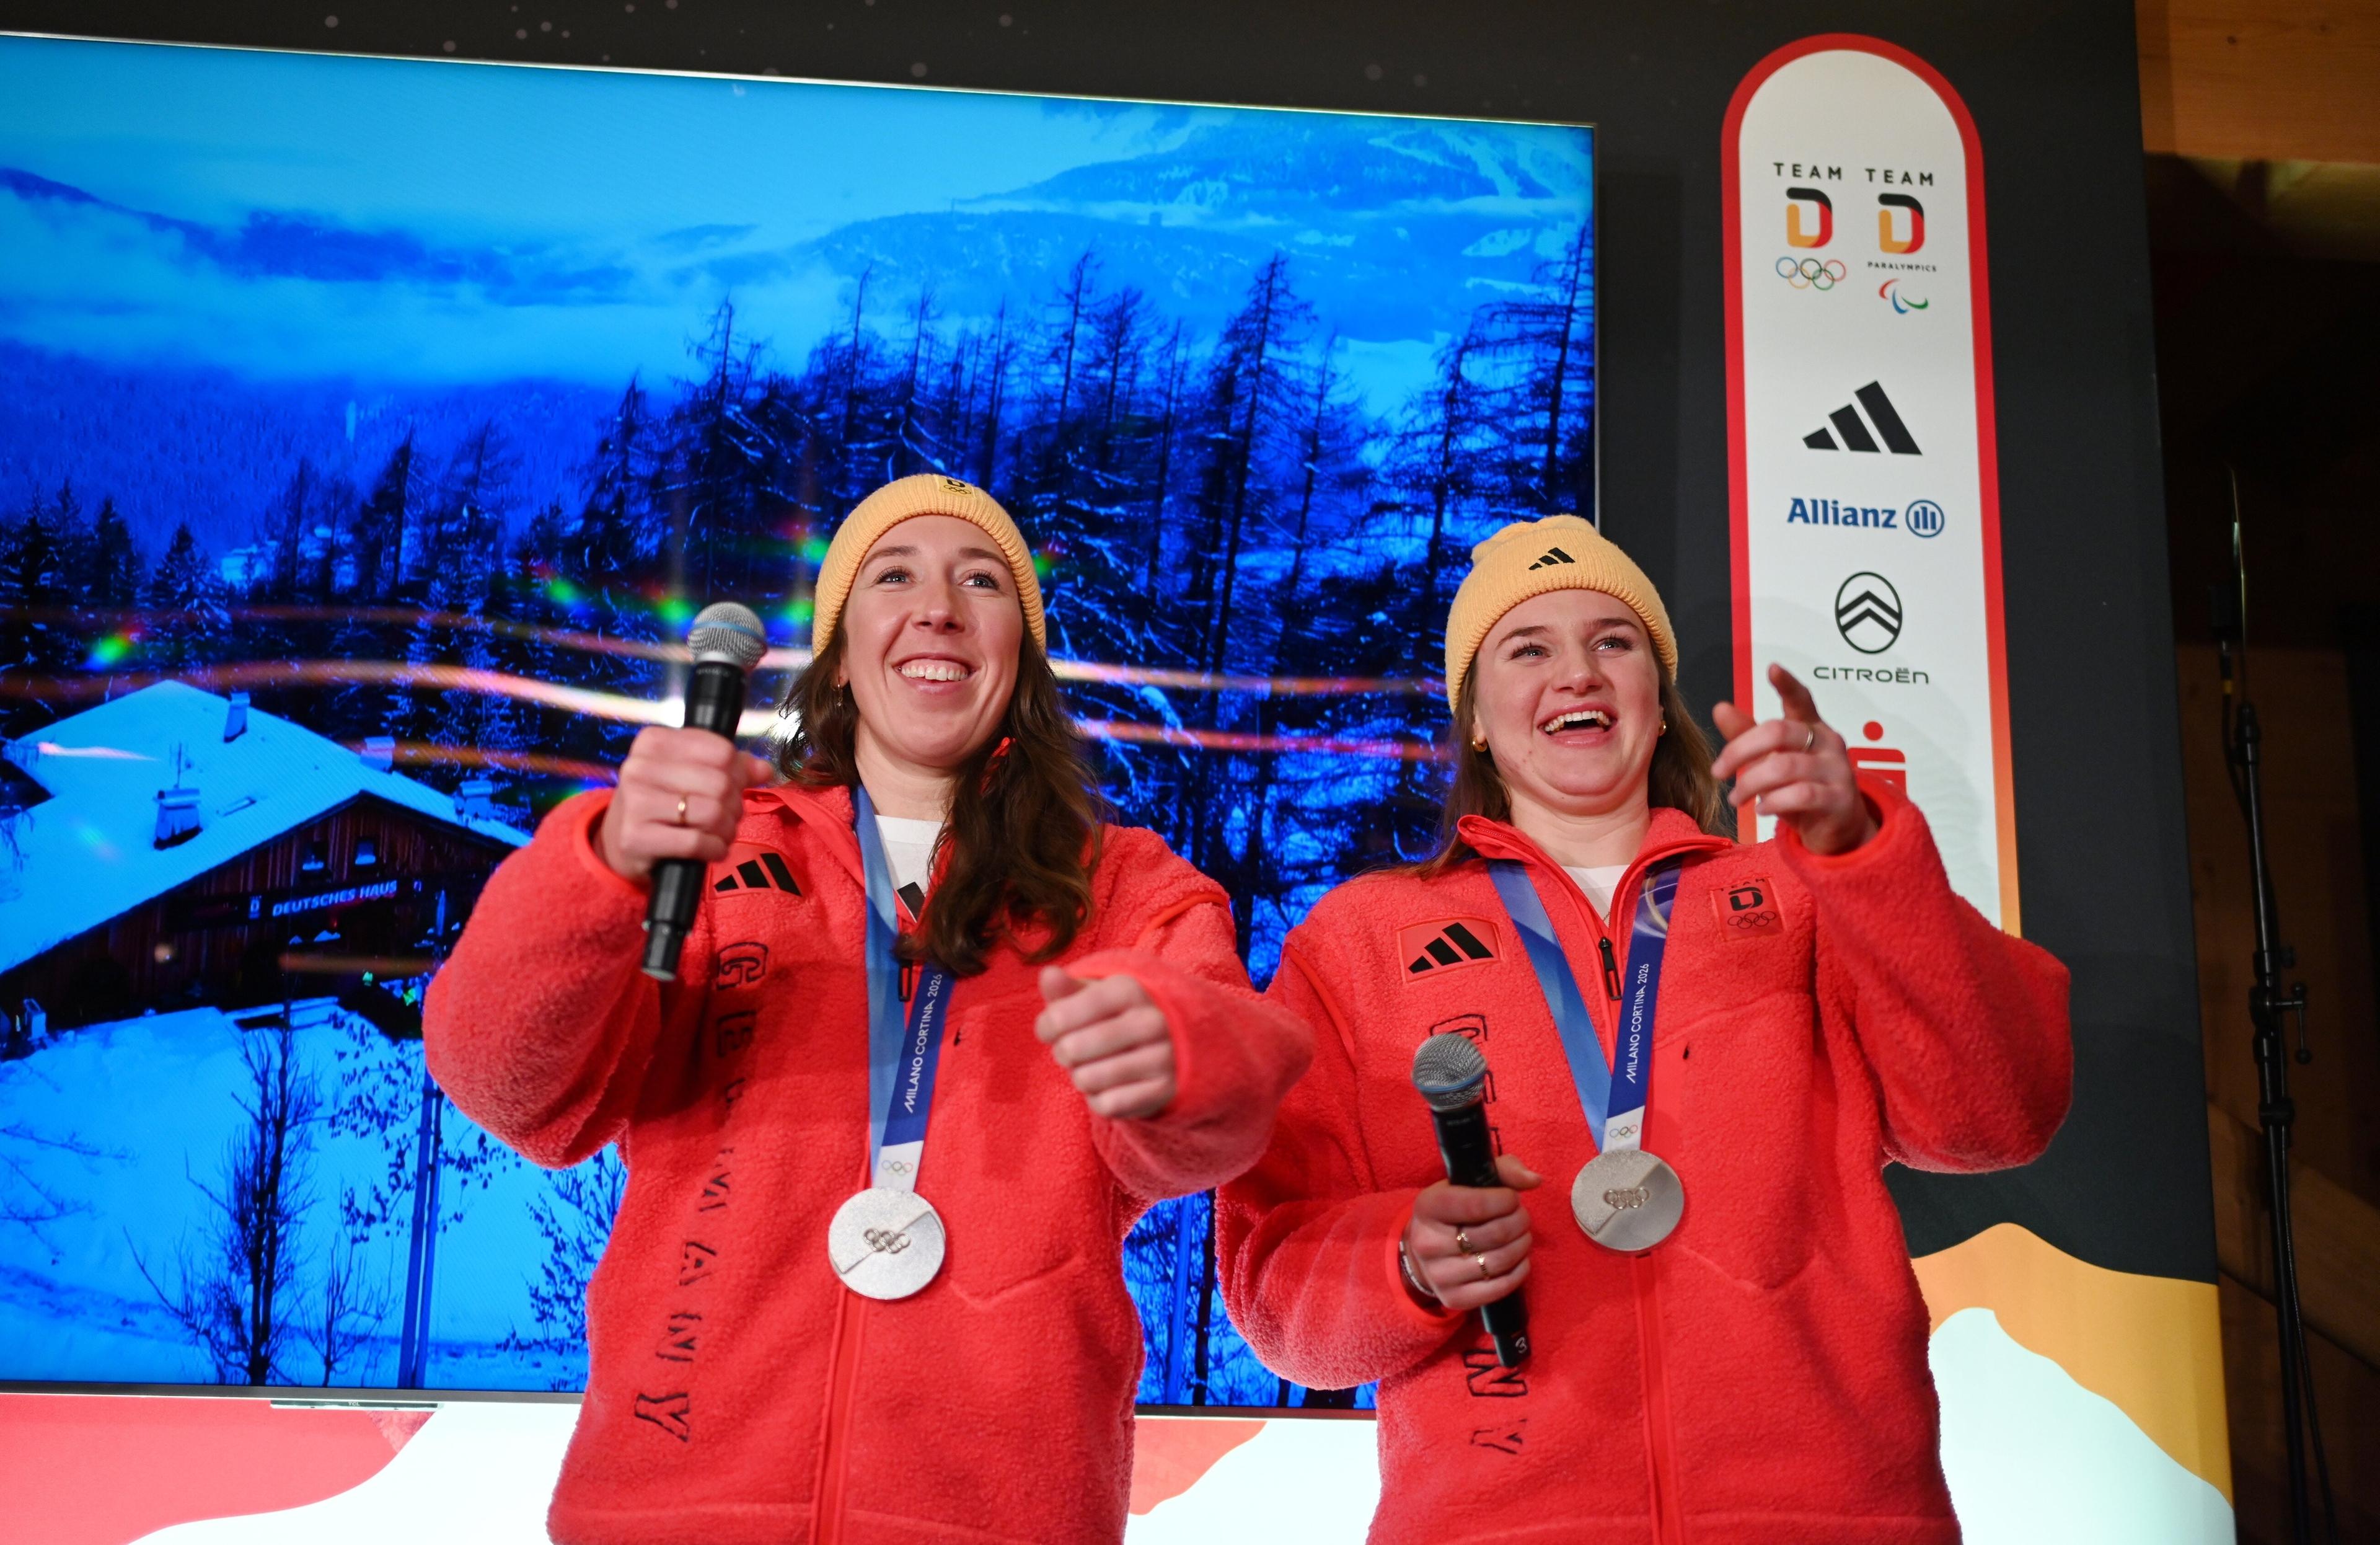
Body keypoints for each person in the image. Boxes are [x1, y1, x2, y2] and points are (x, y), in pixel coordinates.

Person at [425, 473, 1311, 1545]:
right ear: (843, 655)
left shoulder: (1123, 887)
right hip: (671, 1511)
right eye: (894, 576)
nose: (937, 605)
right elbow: (510, 1086)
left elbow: (1230, 1090)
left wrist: (1184, 1055)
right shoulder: (712, 854)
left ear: (1020, 659)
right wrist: (600, 865)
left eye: (980, 581)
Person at [1215, 513, 2071, 1545]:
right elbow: (1276, 1288)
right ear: (1475, 718)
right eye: (1529, 649)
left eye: (1612, 642)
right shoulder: (1360, 941)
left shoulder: (1800, 894)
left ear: (1657, 709)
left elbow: (1996, 1118)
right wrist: (1403, 1261)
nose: (1576, 672)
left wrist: (1860, 854)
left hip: (1832, 1513)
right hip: (1503, 1521)